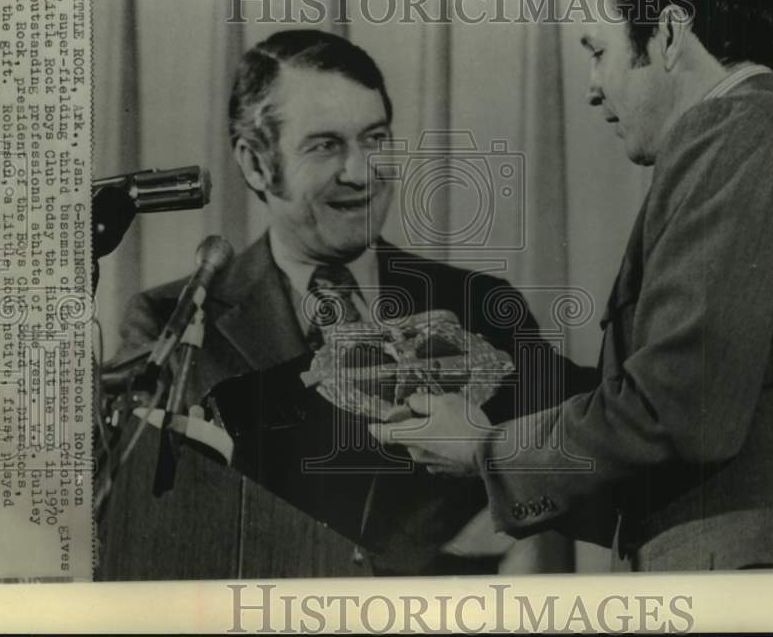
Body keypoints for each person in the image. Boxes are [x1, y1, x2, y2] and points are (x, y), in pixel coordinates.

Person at [374, 0, 773, 570]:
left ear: (666, 34)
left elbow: (679, 408)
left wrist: (483, 449)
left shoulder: (730, 135)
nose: (592, 88)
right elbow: (728, 431)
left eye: (598, 52)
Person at [97, 29, 592, 580]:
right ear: (257, 163)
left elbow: (563, 482)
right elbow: (152, 525)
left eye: (375, 139)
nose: (361, 172)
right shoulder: (172, 323)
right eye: (326, 145)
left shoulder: (482, 307)